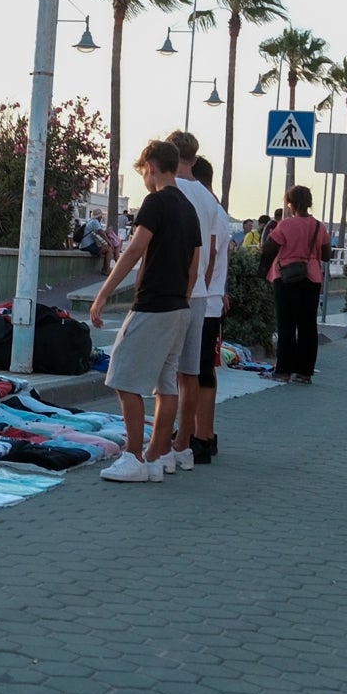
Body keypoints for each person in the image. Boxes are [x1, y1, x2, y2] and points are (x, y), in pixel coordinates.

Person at [89, 140, 200, 483]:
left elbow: (135, 249)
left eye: (143, 172)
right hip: (179, 306)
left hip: (153, 305)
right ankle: (157, 455)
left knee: (123, 377)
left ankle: (134, 456)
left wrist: (102, 295)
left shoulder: (156, 202)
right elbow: (195, 266)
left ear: (150, 166)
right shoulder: (188, 207)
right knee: (166, 384)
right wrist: (181, 299)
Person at [160, 130, 221, 477]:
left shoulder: (166, 190)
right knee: (191, 373)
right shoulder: (209, 200)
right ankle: (185, 444)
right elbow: (210, 251)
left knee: (164, 372)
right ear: (195, 160)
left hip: (168, 291)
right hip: (199, 293)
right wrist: (203, 283)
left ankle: (161, 445)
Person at [258, 186, 332, 384]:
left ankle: (283, 371)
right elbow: (326, 255)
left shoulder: (285, 225)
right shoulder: (319, 226)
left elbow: (269, 248)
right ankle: (305, 372)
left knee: (287, 324)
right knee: (308, 325)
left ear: (290, 204)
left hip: (287, 277)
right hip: (312, 278)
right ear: (309, 203)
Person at [189, 156, 230, 463]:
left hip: (205, 301)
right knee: (201, 370)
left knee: (198, 371)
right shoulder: (218, 210)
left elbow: (211, 253)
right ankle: (201, 433)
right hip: (211, 298)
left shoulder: (209, 209)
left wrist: (199, 288)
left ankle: (200, 435)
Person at [72, 209, 113, 275]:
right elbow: (101, 232)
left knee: (106, 248)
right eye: (101, 216)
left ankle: (105, 268)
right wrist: (109, 242)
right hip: (87, 245)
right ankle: (107, 270)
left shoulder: (90, 221)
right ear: (99, 216)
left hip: (84, 245)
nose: (101, 217)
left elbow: (99, 232)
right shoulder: (95, 222)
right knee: (109, 249)